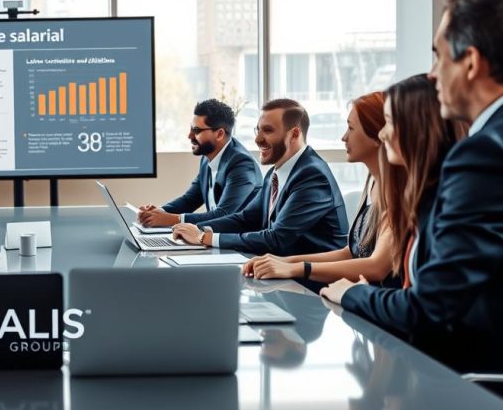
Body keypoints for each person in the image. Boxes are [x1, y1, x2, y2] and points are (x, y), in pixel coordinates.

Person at [322, 0, 503, 374]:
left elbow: (431, 308)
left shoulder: (488, 154)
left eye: (438, 56)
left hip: (484, 393)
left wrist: (354, 294)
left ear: (470, 62)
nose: (433, 75)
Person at [243, 91, 396, 284]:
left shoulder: (396, 192)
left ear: (378, 135)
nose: (343, 137)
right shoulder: (372, 183)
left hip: (372, 301)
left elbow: (376, 267)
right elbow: (351, 252)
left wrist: (296, 267)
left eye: (351, 128)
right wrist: (283, 262)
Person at [172, 99, 348, 256]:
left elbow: (276, 239)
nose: (257, 139)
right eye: (258, 130)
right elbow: (246, 218)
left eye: (268, 131)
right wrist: (197, 229)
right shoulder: (275, 173)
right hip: (278, 272)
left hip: (311, 284)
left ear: (294, 134)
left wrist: (204, 238)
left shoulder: (312, 176)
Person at [137, 99, 261, 227]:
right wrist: (158, 212)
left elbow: (224, 214)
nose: (190, 136)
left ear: (219, 134)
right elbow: (190, 200)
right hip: (213, 239)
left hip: (238, 243)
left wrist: (174, 219)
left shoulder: (242, 164)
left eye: (196, 130)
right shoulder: (207, 158)